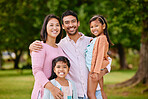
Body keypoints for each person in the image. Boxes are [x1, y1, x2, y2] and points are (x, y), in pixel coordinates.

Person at [29, 10, 112, 99]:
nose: (71, 25)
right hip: (75, 93)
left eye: (73, 21)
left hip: (94, 91)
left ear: (78, 23)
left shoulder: (91, 41)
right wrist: (31, 49)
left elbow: (107, 59)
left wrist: (101, 73)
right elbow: (39, 65)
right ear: (63, 26)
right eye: (67, 22)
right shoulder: (61, 45)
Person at [31, 14, 66, 99]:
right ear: (45, 28)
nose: (55, 28)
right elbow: (37, 71)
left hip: (59, 92)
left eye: (57, 25)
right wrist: (52, 88)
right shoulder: (39, 46)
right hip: (44, 93)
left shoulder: (60, 48)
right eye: (51, 25)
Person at [86, 15, 113, 99]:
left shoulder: (102, 39)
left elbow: (100, 56)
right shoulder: (98, 39)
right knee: (101, 90)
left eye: (96, 26)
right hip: (97, 69)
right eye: (91, 27)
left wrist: (95, 72)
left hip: (95, 70)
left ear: (103, 26)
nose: (94, 29)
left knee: (90, 94)